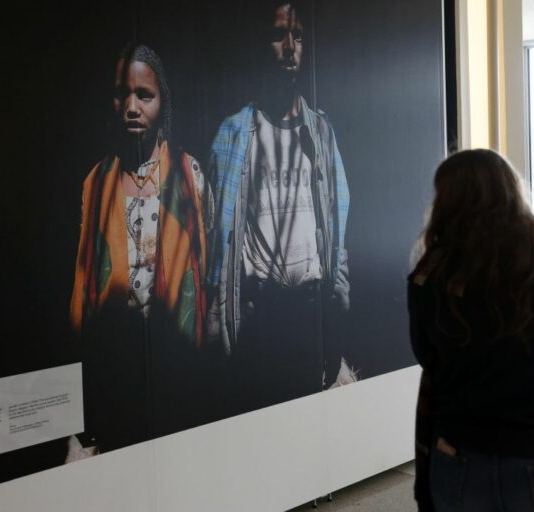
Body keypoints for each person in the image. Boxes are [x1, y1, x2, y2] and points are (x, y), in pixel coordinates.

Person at [407, 149, 534, 512]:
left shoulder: (429, 278)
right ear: (514, 194)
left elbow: (426, 355)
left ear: (445, 203)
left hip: (460, 454)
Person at [206, 1, 354, 412]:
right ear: (261, 44)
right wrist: (219, 320)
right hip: (261, 318)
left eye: (299, 36)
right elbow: (217, 232)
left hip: (310, 313)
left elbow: (338, 221)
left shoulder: (321, 131)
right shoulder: (235, 135)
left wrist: (338, 299)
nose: (290, 47)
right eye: (278, 35)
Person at [68, 43, 211, 458]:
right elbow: (84, 282)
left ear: (161, 101)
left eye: (144, 96)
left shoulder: (190, 177)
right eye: (122, 95)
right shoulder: (95, 184)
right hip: (116, 362)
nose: (132, 107)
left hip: (176, 359)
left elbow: (204, 273)